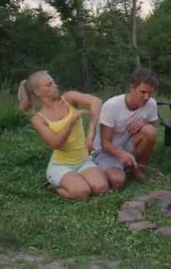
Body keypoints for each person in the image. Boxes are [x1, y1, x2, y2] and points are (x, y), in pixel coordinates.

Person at [18, 71, 108, 200]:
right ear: (38, 92)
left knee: (101, 188)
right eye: (49, 85)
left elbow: (96, 101)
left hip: (83, 161)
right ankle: (54, 186)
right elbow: (55, 143)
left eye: (53, 82)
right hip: (61, 165)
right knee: (82, 192)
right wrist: (71, 122)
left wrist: (90, 134)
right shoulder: (38, 118)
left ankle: (76, 179)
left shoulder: (69, 98)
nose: (55, 86)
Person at [92, 68, 158, 189]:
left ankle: (138, 170)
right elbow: (105, 143)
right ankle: (103, 168)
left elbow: (153, 132)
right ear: (132, 87)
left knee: (150, 131)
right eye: (142, 92)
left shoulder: (151, 104)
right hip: (106, 151)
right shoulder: (111, 106)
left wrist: (143, 123)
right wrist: (120, 154)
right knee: (118, 182)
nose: (146, 97)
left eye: (150, 93)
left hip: (127, 144)